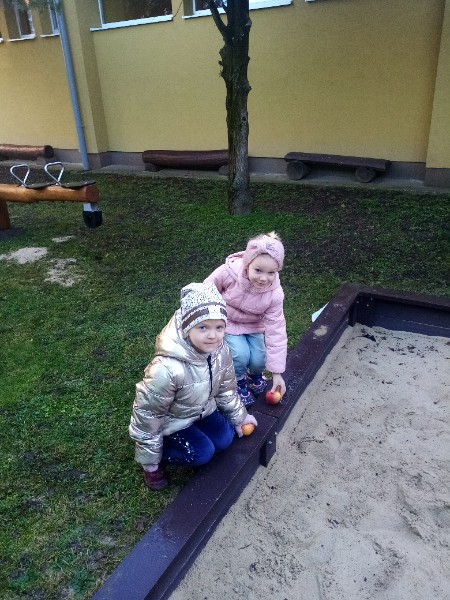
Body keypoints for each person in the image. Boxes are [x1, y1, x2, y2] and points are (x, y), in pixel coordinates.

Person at [129, 282, 258, 490]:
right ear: (187, 327)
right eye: (203, 327)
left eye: (219, 327)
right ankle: (159, 458)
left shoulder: (220, 351)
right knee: (202, 453)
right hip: (172, 422)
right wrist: (150, 460)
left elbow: (226, 389)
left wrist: (240, 417)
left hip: (202, 411)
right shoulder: (166, 368)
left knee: (225, 439)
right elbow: (148, 415)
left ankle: (198, 434)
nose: (212, 335)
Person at [204, 231, 287, 406]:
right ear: (247, 264)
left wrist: (277, 373)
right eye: (258, 270)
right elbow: (205, 291)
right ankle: (238, 382)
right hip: (227, 321)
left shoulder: (274, 294)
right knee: (240, 355)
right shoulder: (228, 272)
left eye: (271, 273)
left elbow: (277, 331)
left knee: (259, 359)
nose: (264, 278)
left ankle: (254, 376)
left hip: (253, 325)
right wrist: (206, 319)